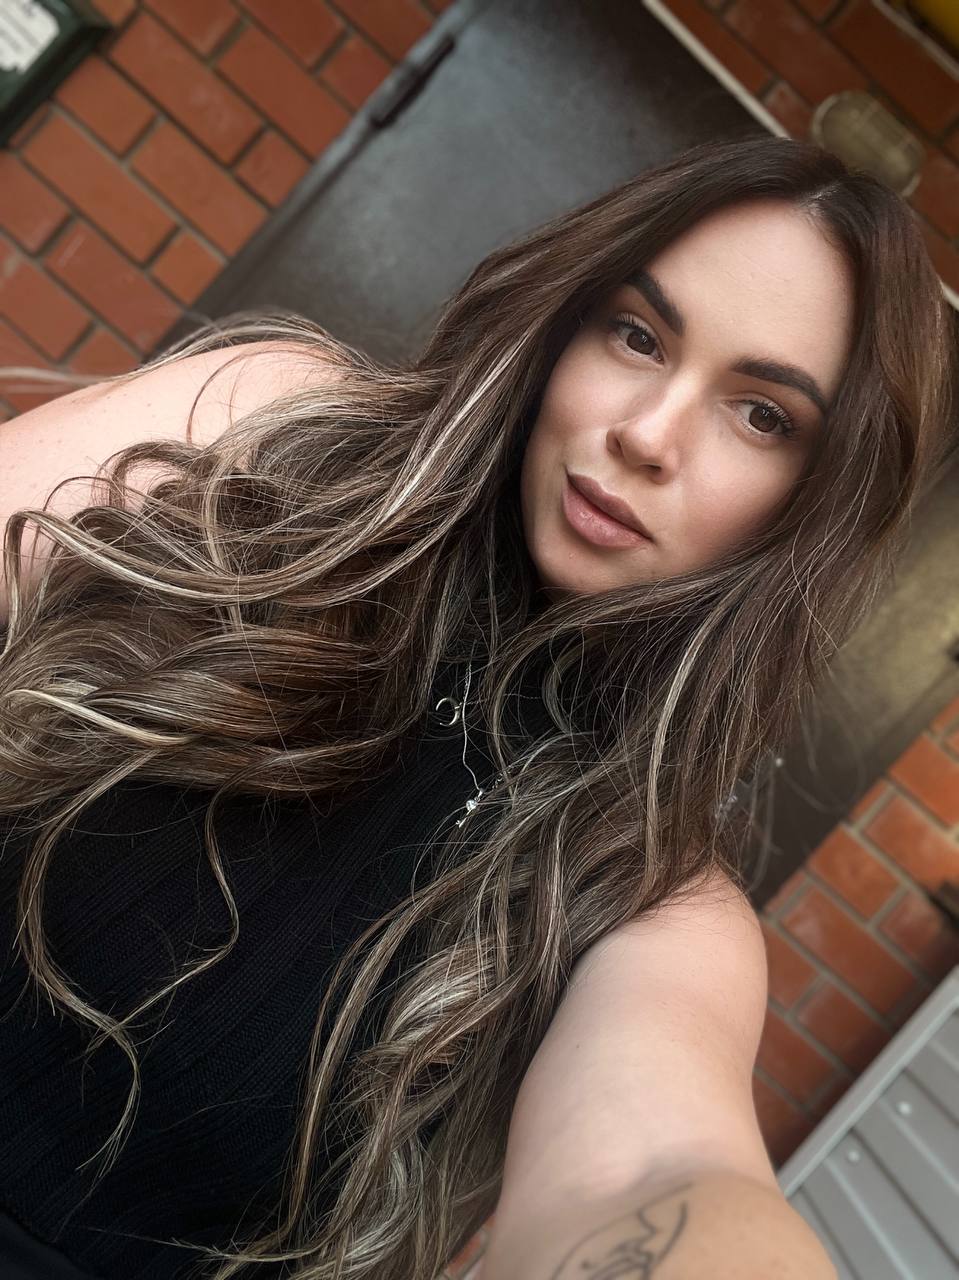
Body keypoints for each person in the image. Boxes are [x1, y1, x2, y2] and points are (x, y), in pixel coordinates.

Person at [0, 134, 955, 1280]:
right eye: (637, 334)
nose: (646, 434)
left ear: (814, 502)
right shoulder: (276, 426)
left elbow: (648, 1173)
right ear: (565, 322)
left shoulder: (657, 905)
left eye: (761, 415)